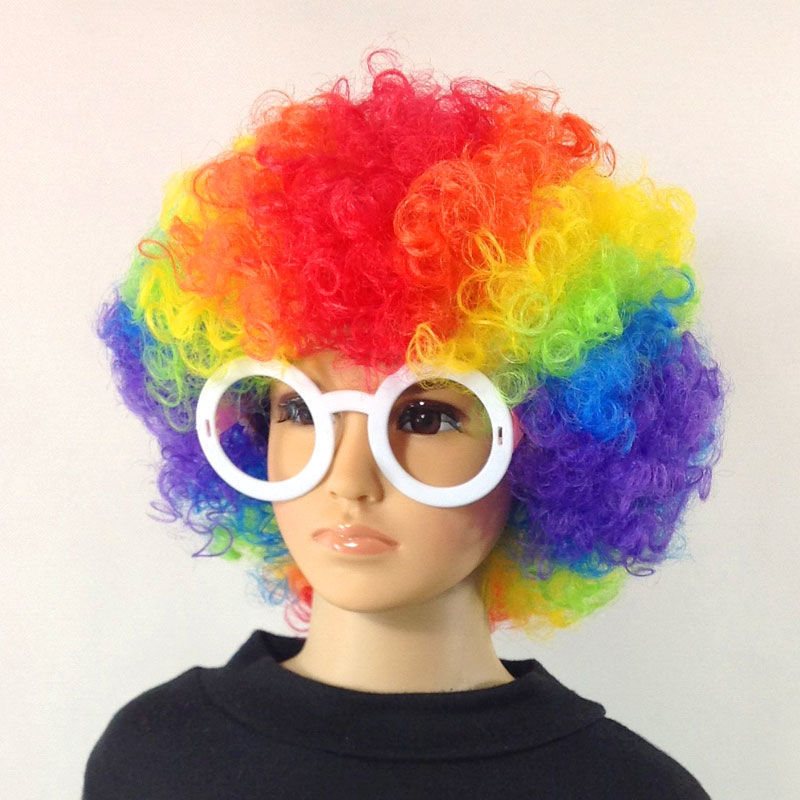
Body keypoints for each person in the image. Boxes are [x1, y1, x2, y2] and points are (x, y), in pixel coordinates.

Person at [85, 55, 724, 798]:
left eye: (424, 415)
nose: (349, 479)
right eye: (300, 409)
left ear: (549, 449)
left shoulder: (627, 791)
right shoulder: (156, 758)